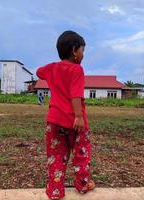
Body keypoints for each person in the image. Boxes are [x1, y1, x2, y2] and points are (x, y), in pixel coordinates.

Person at [36, 30, 95, 200]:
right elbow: (75, 95)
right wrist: (78, 116)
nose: (83, 54)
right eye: (82, 50)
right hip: (76, 122)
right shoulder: (77, 69)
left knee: (55, 157)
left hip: (54, 121)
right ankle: (83, 184)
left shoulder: (52, 68)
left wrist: (54, 68)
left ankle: (55, 191)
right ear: (74, 50)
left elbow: (39, 72)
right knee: (81, 154)